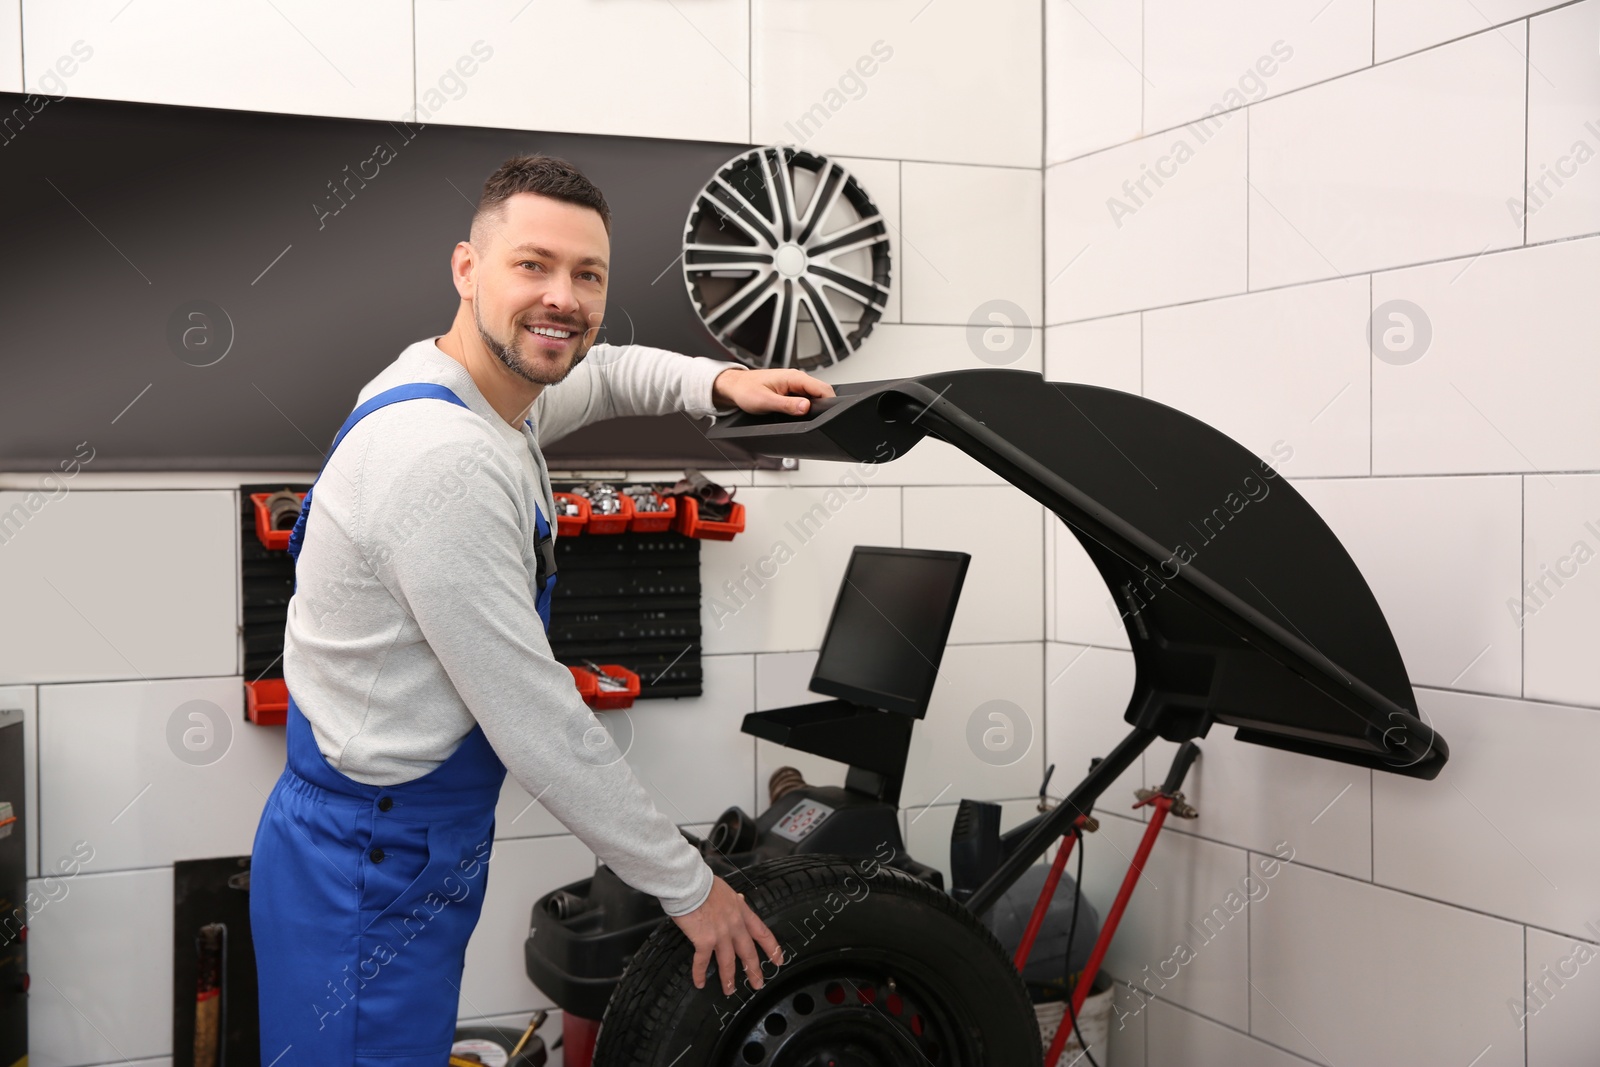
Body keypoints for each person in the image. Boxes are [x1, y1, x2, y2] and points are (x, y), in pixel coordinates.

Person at [249, 154, 827, 1066]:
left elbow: (602, 375)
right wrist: (690, 889)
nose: (562, 297)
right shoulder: (443, 459)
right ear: (467, 268)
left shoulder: (469, 390)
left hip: (383, 837)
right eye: (533, 264)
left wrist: (719, 383)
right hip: (369, 861)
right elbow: (538, 723)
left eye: (587, 275)